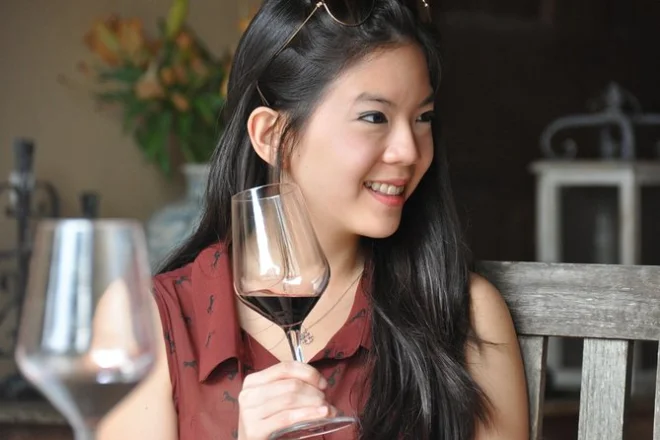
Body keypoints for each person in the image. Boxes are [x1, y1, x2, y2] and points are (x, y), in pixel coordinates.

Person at [98, 0, 528, 439]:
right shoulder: (143, 320)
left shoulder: (464, 313)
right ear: (273, 136)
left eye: (423, 118)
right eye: (374, 117)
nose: (409, 151)